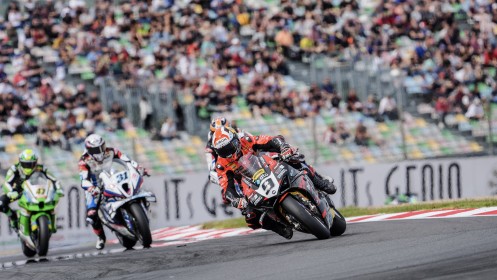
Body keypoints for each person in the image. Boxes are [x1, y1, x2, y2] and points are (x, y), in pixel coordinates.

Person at [211, 125, 336, 239]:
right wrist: (235, 199)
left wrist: (283, 147)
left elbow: (270, 140)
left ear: (236, 140)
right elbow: (227, 188)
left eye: (230, 147)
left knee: (294, 158)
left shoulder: (246, 140)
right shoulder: (221, 165)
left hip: (266, 164)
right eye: (223, 151)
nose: (229, 153)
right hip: (250, 184)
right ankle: (279, 228)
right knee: (250, 217)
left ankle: (319, 181)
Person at [78, 134, 148, 250]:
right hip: (95, 186)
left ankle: (139, 211)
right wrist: (91, 188)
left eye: (102, 147)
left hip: (113, 178)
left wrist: (139, 168)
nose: (100, 151)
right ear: (89, 150)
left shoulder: (112, 151)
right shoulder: (83, 160)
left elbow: (128, 161)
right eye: (96, 149)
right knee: (92, 214)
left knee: (135, 190)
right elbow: (84, 180)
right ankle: (101, 237)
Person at [0, 149, 64, 232]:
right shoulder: (14, 169)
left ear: (36, 162)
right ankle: (13, 217)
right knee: (1, 204)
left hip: (35, 190)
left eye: (31, 164)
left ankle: (49, 222)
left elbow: (54, 179)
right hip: (18, 192)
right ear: (20, 162)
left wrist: (59, 189)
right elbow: (6, 183)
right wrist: (11, 192)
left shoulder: (41, 168)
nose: (28, 167)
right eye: (25, 164)